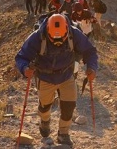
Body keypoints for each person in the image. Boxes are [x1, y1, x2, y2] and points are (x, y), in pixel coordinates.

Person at [15, 14, 98, 146]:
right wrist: (25, 69)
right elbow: (21, 57)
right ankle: (45, 121)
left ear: (66, 30)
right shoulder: (37, 37)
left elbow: (90, 51)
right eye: (54, 39)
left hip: (66, 75)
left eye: (61, 39)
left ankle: (63, 133)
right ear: (47, 30)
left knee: (69, 106)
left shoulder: (74, 34)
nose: (58, 42)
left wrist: (92, 68)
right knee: (45, 107)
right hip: (45, 77)